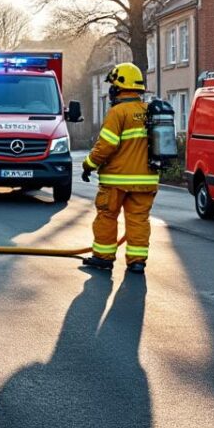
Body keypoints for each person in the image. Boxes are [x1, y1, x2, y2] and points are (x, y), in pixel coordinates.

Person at [80, 63, 158, 275]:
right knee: (139, 220)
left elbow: (106, 146)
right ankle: (137, 262)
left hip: (117, 180)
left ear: (118, 87)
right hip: (146, 180)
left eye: (112, 86)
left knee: (107, 216)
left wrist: (88, 164)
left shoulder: (118, 112)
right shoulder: (149, 112)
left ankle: (103, 258)